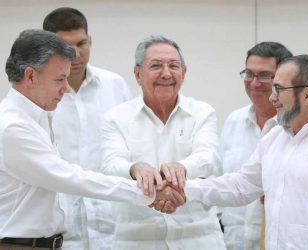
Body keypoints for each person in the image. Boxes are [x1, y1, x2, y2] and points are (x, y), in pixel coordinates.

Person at [0, 29, 183, 250]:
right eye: (60, 79)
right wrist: (148, 193)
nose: (67, 89)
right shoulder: (12, 127)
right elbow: (69, 177)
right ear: (30, 76)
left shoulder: (36, 117)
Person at [182, 54, 308, 249]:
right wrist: (182, 189)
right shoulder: (273, 138)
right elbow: (241, 186)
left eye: (278, 89)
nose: (272, 97)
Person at [101, 35, 225, 249]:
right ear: (137, 74)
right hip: (136, 240)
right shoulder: (115, 117)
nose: (166, 74)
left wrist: (181, 168)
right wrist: (135, 169)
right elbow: (110, 166)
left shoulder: (202, 113)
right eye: (156, 65)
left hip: (199, 238)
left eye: (174, 66)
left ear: (183, 73)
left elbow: (209, 157)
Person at [43, 7, 132, 250]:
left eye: (82, 43)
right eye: (64, 46)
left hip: (114, 227)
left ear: (90, 40)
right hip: (61, 230)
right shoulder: (38, 94)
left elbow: (130, 147)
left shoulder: (115, 86)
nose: (75, 54)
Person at [220, 42, 292, 250]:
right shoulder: (234, 121)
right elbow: (223, 181)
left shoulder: (297, 126)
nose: (254, 83)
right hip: (233, 243)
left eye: (264, 75)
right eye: (249, 73)